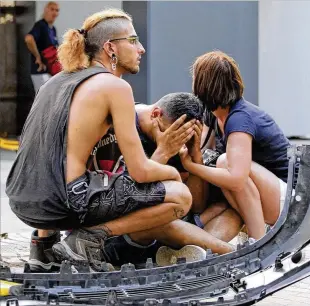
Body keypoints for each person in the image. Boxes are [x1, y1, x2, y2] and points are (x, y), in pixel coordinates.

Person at [5, 9, 231, 273]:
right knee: (179, 196)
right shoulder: (115, 87)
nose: (141, 49)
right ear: (110, 48)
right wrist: (176, 172)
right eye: (133, 40)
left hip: (23, 200)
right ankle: (87, 241)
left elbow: (47, 154)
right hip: (66, 202)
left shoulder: (56, 82)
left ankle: (43, 250)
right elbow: (141, 171)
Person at [89, 92, 242, 267]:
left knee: (231, 210)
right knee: (163, 223)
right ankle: (234, 254)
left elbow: (196, 206)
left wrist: (195, 157)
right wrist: (163, 152)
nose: (178, 145)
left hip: (168, 225)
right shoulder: (120, 129)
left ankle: (189, 254)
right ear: (155, 115)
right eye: (174, 137)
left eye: (183, 140)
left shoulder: (174, 136)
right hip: (119, 233)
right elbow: (122, 200)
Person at [179, 50, 292, 242]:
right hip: (263, 196)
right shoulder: (213, 115)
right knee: (220, 199)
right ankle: (195, 245)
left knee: (225, 163)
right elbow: (203, 155)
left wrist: (191, 166)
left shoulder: (240, 118)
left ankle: (259, 241)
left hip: (289, 199)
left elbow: (237, 178)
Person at [25, 1, 60, 93]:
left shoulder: (52, 29)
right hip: (40, 72)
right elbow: (29, 39)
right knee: (44, 99)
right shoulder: (40, 25)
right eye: (52, 9)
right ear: (46, 10)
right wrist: (38, 57)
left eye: (57, 10)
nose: (54, 13)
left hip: (49, 72)